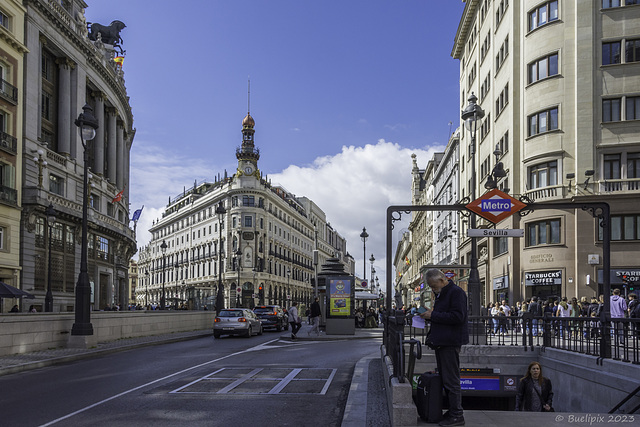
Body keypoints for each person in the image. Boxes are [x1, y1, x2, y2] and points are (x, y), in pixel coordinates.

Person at [419, 269, 468, 427]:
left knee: (451, 380)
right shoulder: (443, 293)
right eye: (431, 287)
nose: (432, 289)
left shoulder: (456, 292)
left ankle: (457, 415)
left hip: (450, 342)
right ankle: (453, 412)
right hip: (443, 341)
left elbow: (458, 317)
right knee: (447, 379)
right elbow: (445, 315)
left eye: (433, 286)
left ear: (442, 280)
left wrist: (432, 315)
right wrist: (430, 314)